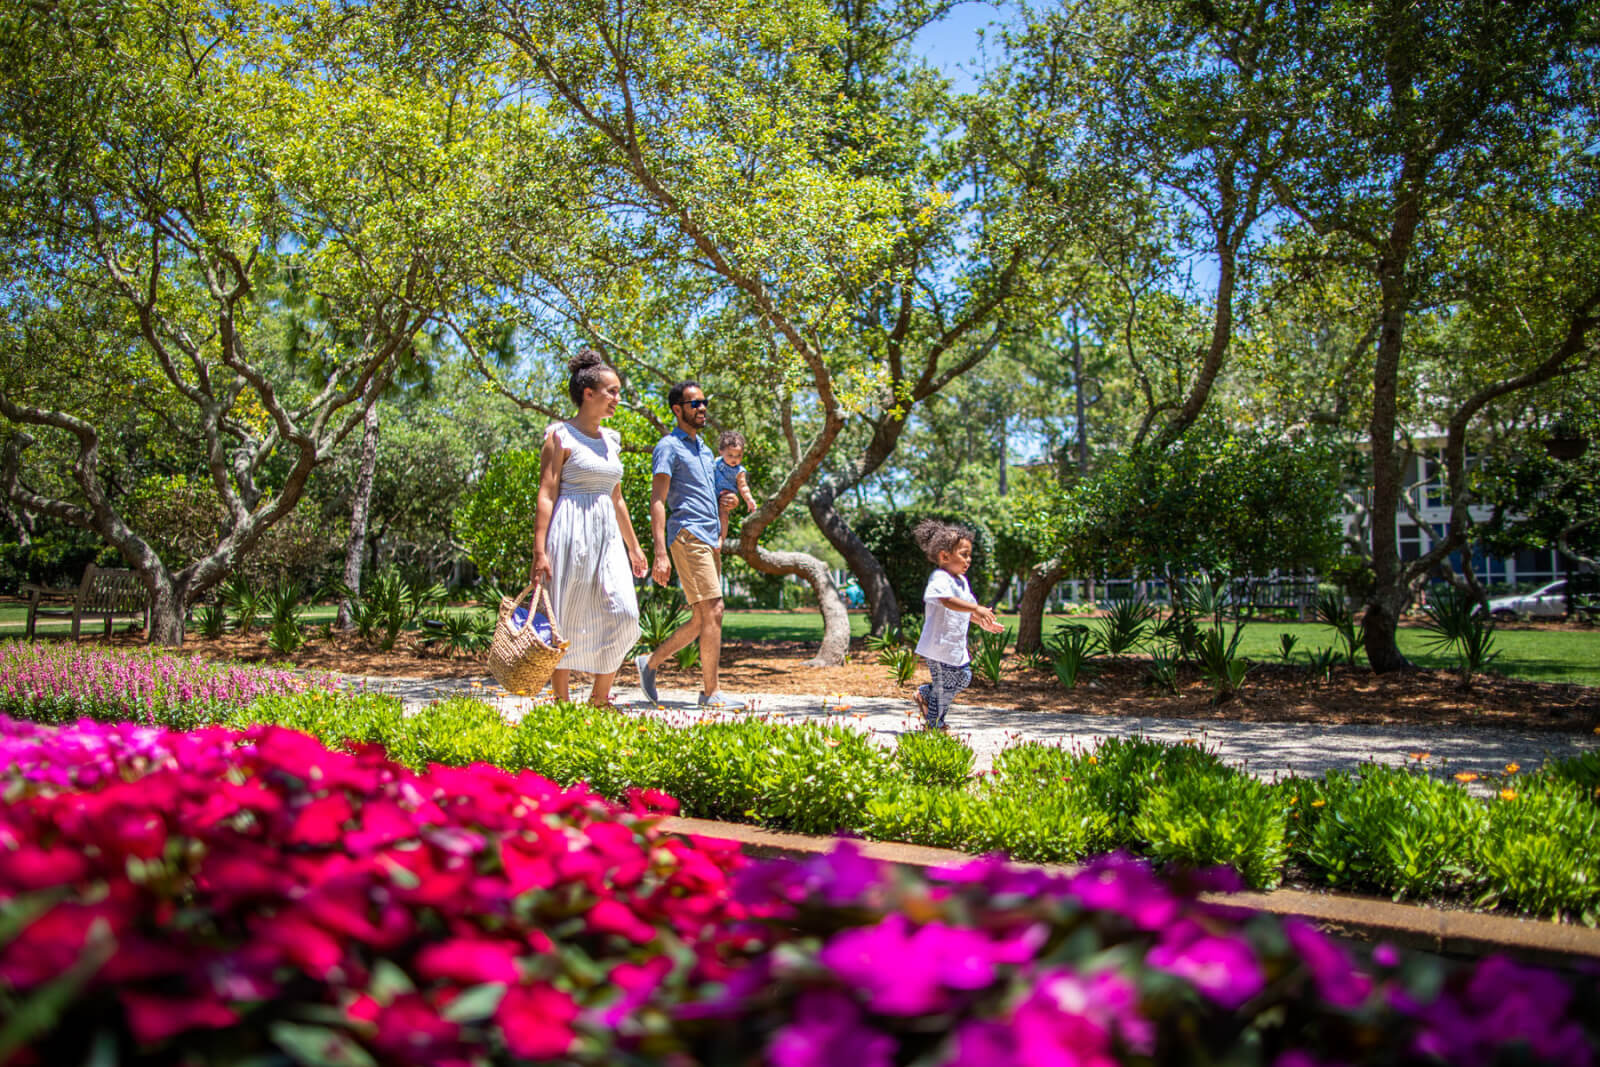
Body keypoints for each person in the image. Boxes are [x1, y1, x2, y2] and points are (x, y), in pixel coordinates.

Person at [530, 350, 649, 707]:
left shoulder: (611, 440)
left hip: (607, 533)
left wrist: (634, 546)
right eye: (611, 391)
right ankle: (561, 703)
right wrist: (539, 551)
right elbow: (546, 493)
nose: (617, 398)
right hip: (568, 530)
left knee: (626, 614)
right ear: (588, 393)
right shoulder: (560, 436)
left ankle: (599, 699)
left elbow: (617, 498)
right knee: (564, 614)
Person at [634, 381, 744, 710]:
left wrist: (726, 500)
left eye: (703, 402)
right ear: (677, 409)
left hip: (710, 538)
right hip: (688, 534)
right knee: (714, 610)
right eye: (694, 404)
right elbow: (658, 499)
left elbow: (708, 495)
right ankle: (710, 693)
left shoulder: (706, 451)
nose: (702, 408)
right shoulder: (669, 446)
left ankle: (649, 663)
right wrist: (659, 552)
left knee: (702, 619)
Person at [911, 518, 1002, 730]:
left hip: (954, 646)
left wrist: (982, 621)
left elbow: (965, 608)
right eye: (964, 554)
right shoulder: (940, 578)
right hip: (938, 645)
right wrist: (975, 609)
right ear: (944, 556)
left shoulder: (961, 581)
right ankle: (935, 726)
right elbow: (946, 600)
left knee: (963, 678)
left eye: (969, 555)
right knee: (944, 688)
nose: (968, 560)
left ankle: (924, 693)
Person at [714, 430, 758, 548]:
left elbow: (743, 487)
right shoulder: (716, 462)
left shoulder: (739, 471)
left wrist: (749, 500)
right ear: (721, 452)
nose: (734, 459)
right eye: (730, 455)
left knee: (723, 515)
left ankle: (721, 539)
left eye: (738, 455)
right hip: (712, 493)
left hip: (725, 495)